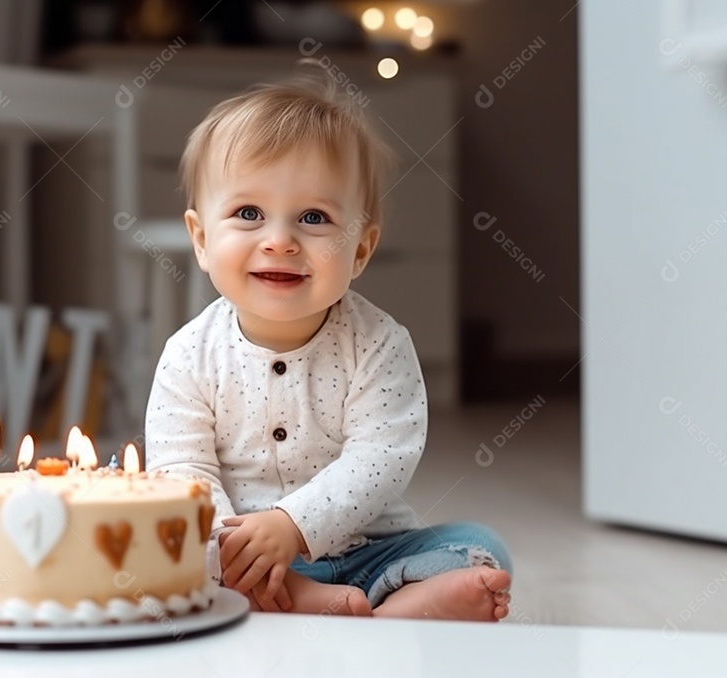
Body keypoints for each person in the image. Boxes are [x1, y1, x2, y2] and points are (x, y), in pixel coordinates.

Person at [144, 64, 512, 620]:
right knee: (157, 544)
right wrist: (229, 549)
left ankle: (379, 607)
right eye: (249, 213)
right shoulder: (189, 354)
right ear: (200, 238)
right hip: (238, 560)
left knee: (480, 547)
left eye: (313, 218)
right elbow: (181, 468)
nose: (280, 241)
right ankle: (294, 598)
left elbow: (382, 457)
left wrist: (293, 526)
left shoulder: (379, 344)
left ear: (360, 250)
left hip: (370, 551)